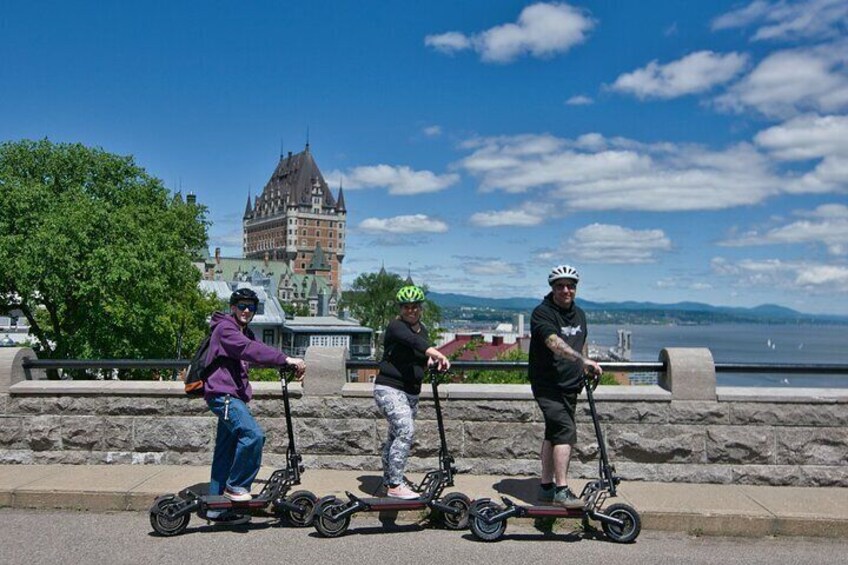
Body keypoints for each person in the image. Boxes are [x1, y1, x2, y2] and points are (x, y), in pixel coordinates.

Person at [203, 287, 306, 523]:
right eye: (241, 306)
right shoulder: (226, 328)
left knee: (224, 453)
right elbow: (249, 350)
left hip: (232, 396)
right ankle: (236, 486)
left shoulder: (245, 332)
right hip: (223, 395)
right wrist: (286, 358)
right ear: (232, 308)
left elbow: (255, 354)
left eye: (251, 306)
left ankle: (215, 507)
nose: (246, 310)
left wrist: (283, 365)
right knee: (253, 436)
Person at [528, 265, 603, 508]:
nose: (565, 290)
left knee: (553, 433)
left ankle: (545, 487)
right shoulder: (542, 313)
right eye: (560, 286)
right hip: (547, 385)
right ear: (552, 288)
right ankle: (561, 490)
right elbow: (553, 342)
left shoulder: (579, 314)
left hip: (571, 386)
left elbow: (581, 344)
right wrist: (582, 360)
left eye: (570, 286)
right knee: (565, 431)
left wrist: (585, 365)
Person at [373, 285, 450, 499]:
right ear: (400, 309)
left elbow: (418, 354)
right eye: (406, 307)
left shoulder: (422, 330)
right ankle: (396, 485)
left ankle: (389, 480)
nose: (411, 310)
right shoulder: (396, 327)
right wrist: (436, 352)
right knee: (406, 430)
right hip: (389, 387)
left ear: (420, 308)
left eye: (414, 306)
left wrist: (431, 362)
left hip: (411, 392)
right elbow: (413, 342)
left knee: (394, 436)